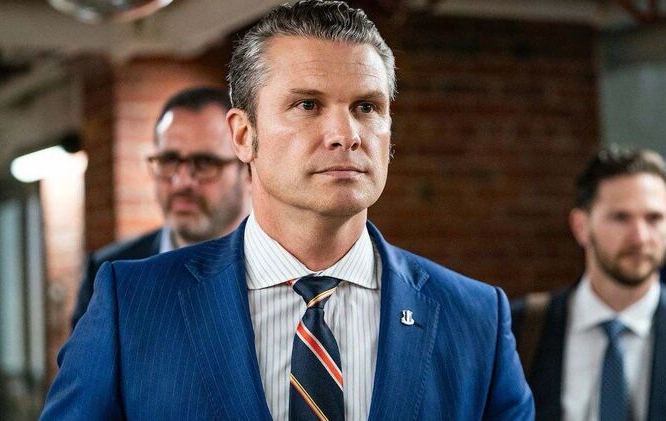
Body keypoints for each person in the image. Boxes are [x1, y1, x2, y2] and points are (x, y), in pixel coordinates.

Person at [40, 1, 534, 420]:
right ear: (243, 135)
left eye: (366, 107)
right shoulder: (133, 304)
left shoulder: (475, 319)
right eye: (308, 105)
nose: (346, 135)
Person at [512, 146, 666, 421]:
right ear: (581, 226)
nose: (640, 237)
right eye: (620, 217)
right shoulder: (519, 330)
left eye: (653, 218)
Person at [70, 86, 251, 328]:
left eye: (205, 162)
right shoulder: (109, 274)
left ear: (246, 170)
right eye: (169, 161)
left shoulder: (281, 268)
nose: (181, 182)